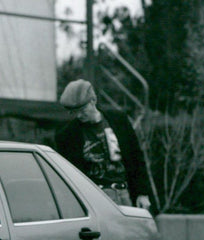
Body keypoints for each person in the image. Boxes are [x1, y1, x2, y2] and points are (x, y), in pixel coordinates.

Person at [56, 79, 152, 210]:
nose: (79, 115)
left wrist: (142, 193)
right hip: (93, 199)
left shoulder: (118, 120)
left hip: (125, 193)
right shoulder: (67, 135)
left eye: (82, 109)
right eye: (74, 112)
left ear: (93, 101)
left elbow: (136, 157)